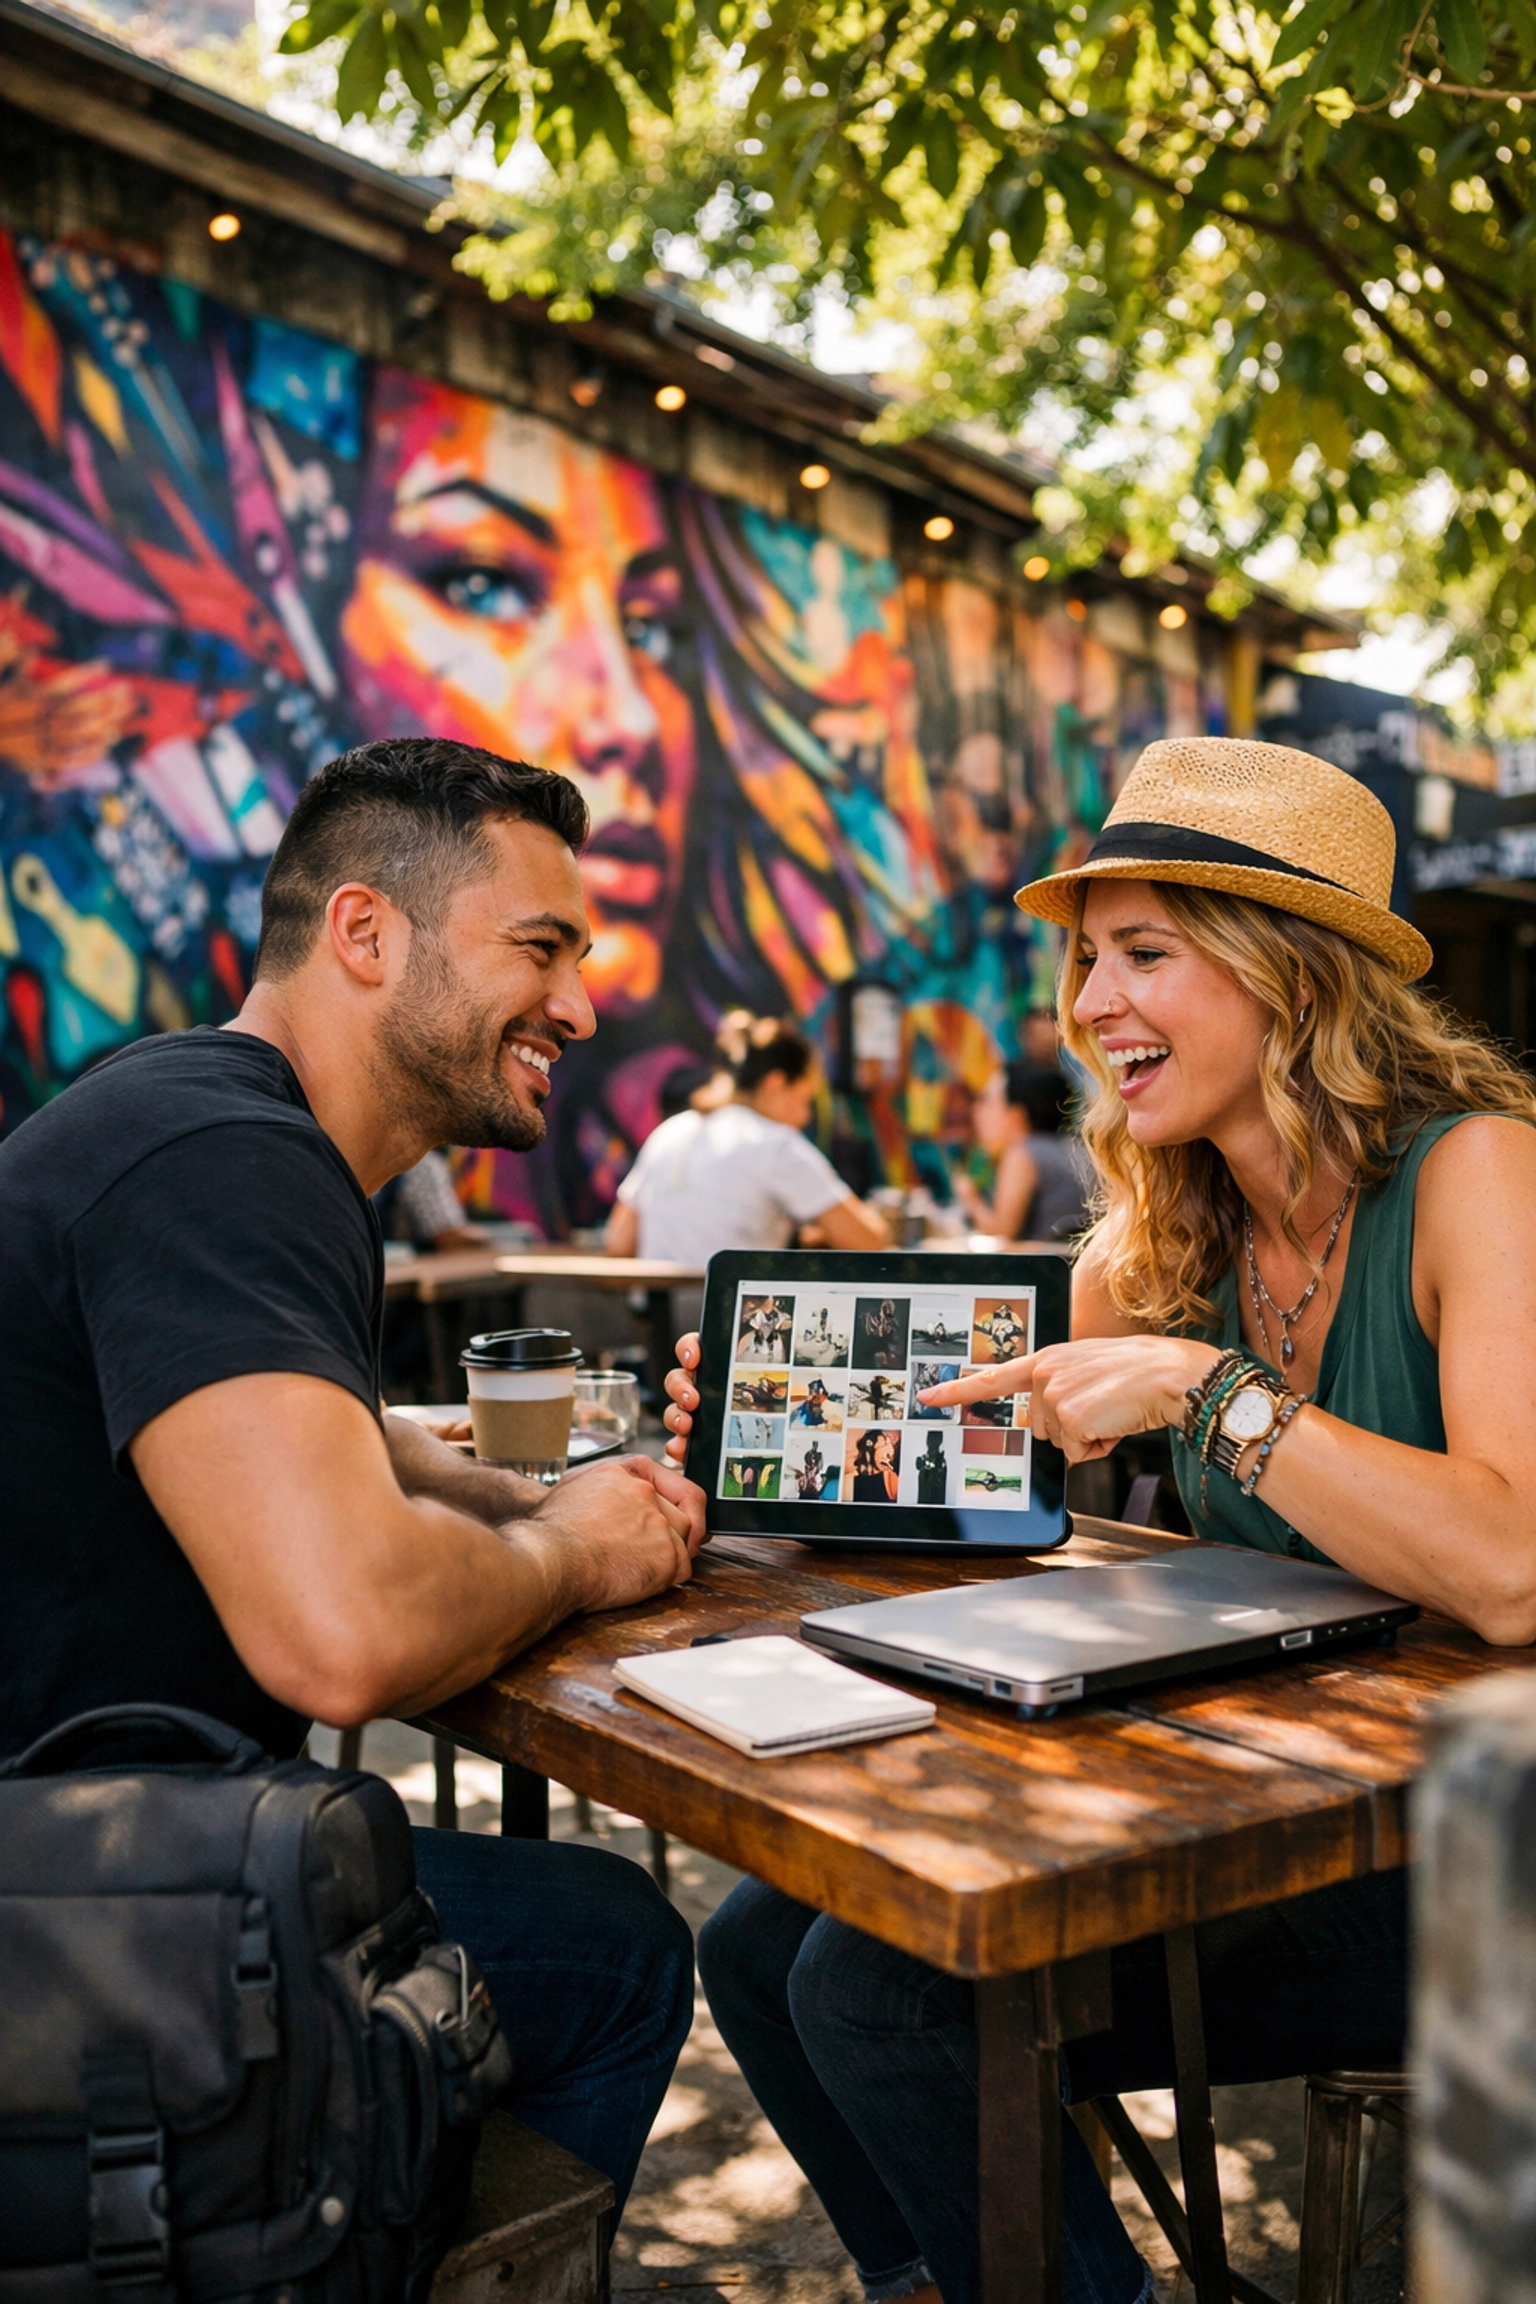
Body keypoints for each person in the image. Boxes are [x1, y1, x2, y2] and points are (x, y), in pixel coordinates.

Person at [660, 735, 1536, 2304]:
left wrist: (1209, 1393)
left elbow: (1512, 1565)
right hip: (1270, 1800)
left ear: (1293, 975)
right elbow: (970, 1431)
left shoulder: (1480, 1173)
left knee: (879, 1992)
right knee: (751, 1947)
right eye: (1084, 960)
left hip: (1471, 1855)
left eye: (1144, 953)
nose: (1090, 1002)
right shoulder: (1179, 1223)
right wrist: (762, 1429)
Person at [0, 737, 710, 2222]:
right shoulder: (229, 1156)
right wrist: (576, 1549)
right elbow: (345, 1638)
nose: (580, 1007)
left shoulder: (184, 1113)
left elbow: (247, 1413)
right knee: (615, 1943)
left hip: (71, 1845)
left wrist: (497, 1495)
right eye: (541, 949)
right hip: (55, 1914)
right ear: (367, 933)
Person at [604, 1018, 886, 1261]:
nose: (806, 1117)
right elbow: (868, 1240)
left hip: (658, 1307)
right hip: (730, 1307)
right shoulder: (776, 1145)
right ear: (775, 1085)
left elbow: (619, 1242)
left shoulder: (669, 1132)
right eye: (804, 1100)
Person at [958, 1061, 1092, 1241]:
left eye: (987, 1101)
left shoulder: (1022, 1154)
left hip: (1047, 1258)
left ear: (1016, 1116)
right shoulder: (1073, 1149)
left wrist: (970, 1198)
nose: (977, 1110)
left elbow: (1002, 1234)